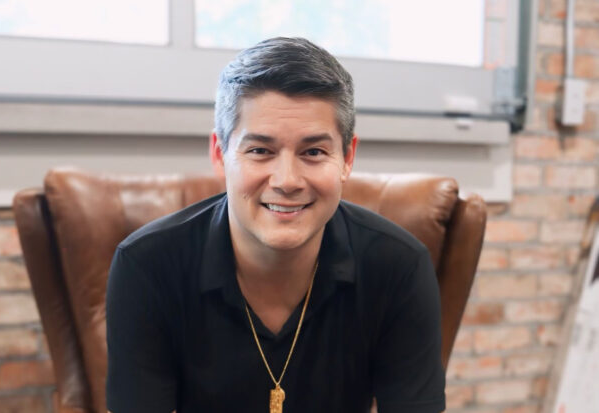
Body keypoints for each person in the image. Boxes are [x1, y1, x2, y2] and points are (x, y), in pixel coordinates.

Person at [106, 37, 445, 413]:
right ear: (220, 154)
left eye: (313, 152)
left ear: (347, 158)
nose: (287, 181)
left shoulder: (399, 266)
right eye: (260, 151)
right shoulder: (147, 265)